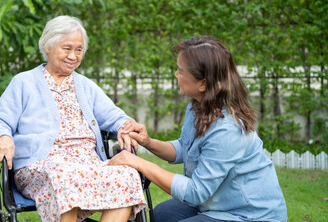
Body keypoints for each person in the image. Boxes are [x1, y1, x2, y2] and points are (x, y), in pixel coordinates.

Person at [0, 15, 146, 222]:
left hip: (89, 163)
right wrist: (2, 137)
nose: (74, 56)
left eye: (79, 50)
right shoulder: (23, 83)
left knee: (127, 174)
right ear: (47, 46)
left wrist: (126, 125)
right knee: (63, 174)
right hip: (41, 165)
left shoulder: (86, 86)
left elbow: (115, 116)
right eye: (67, 48)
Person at [109, 36, 287, 222]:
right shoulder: (197, 107)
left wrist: (141, 164)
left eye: (180, 71)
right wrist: (148, 142)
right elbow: (184, 148)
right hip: (218, 204)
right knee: (161, 214)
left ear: (203, 83)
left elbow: (196, 192)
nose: (176, 75)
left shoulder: (228, 129)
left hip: (250, 215)